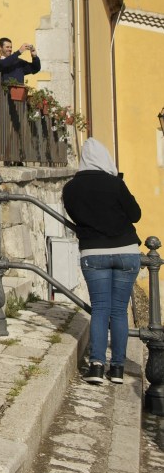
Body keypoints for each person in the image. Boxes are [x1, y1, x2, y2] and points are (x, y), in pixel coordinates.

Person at [62, 138, 142, 385]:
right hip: (126, 250)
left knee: (100, 309)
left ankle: (96, 366)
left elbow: (75, 216)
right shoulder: (115, 184)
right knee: (119, 311)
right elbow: (136, 215)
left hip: (93, 252)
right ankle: (117, 369)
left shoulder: (70, 188)